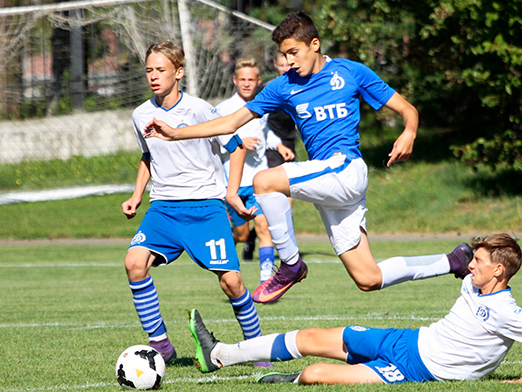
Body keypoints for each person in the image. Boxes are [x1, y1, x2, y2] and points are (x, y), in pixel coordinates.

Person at [144, 12, 470, 304]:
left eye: (294, 52)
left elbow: (406, 109)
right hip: (328, 183)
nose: (288, 61)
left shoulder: (351, 72)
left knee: (264, 181)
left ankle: (291, 265)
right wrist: (175, 133)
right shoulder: (282, 87)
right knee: (368, 278)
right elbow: (230, 123)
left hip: (345, 169)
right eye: (283, 54)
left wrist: (409, 131)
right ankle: (453, 261)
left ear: (314, 44)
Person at [188, 234, 522, 385]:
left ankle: (291, 379)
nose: (470, 266)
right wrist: (449, 259)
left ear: (499, 270)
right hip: (407, 340)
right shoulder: (476, 284)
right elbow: (416, 268)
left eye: (477, 261)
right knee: (309, 337)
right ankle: (219, 354)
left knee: (315, 374)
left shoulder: (508, 311)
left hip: (417, 370)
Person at [121, 40, 266, 364]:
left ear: (179, 72)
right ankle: (161, 346)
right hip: (163, 209)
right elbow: (147, 156)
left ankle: (258, 351)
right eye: (149, 70)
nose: (154, 76)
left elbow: (238, 146)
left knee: (232, 281)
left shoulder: (199, 109)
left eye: (161, 69)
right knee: (134, 263)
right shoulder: (140, 114)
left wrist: (230, 193)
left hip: (204, 208)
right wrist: (136, 195)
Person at [216, 58, 294, 284]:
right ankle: (223, 247)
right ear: (235, 81)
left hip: (256, 180)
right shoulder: (224, 109)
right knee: (241, 234)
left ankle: (266, 280)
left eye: (251, 80)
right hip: (232, 183)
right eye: (243, 80)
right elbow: (213, 139)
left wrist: (279, 145)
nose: (247, 84)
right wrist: (237, 141)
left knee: (263, 226)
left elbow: (266, 132)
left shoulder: (263, 106)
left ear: (259, 81)